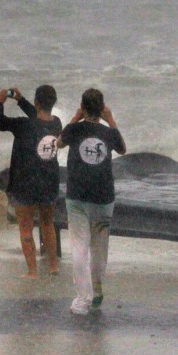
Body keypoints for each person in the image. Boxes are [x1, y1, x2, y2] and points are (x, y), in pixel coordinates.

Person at [56, 88, 126, 315]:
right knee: (99, 248)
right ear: (102, 108)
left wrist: (76, 117)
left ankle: (82, 300)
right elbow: (123, 149)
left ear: (83, 107)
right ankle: (96, 291)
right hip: (103, 197)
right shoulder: (108, 133)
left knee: (79, 247)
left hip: (77, 196)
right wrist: (111, 119)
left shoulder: (75, 130)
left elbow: (58, 143)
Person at [0, 85, 62, 278]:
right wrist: (21, 100)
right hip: (48, 181)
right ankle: (53, 266)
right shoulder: (57, 124)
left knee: (26, 228)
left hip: (24, 183)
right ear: (53, 102)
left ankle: (32, 271)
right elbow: (38, 117)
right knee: (48, 223)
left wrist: (0, 101)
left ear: (37, 102)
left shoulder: (23, 125)